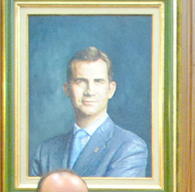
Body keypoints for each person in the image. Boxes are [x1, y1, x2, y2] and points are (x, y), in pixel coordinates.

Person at [31, 47, 150, 178]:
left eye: (98, 82)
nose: (90, 91)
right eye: (80, 81)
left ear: (111, 90)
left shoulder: (129, 147)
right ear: (67, 89)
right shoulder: (46, 151)